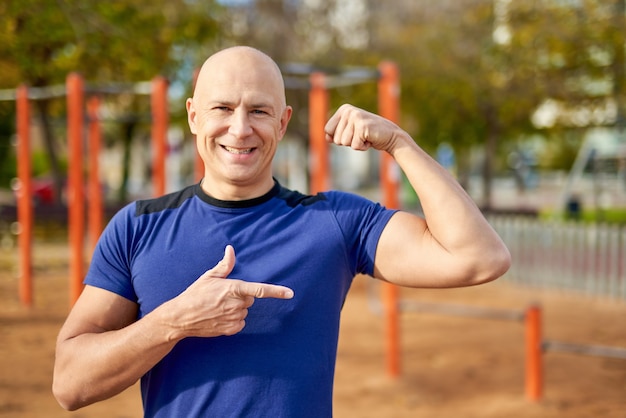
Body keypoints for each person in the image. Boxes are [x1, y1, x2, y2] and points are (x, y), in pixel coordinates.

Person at [53, 46, 511, 417]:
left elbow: (479, 258)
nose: (240, 127)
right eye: (222, 108)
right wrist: (174, 321)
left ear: (283, 122)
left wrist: (400, 144)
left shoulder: (334, 221)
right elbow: (70, 385)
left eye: (259, 110)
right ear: (193, 116)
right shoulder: (137, 227)